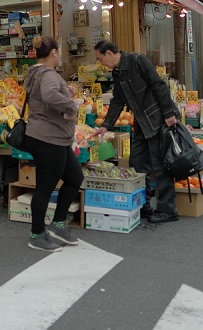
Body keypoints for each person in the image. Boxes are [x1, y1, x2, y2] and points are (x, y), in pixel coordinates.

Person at [93, 40, 181, 224]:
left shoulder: (137, 60)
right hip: (141, 124)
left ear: (109, 53)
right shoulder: (117, 73)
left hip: (156, 120)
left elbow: (159, 84)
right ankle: (144, 205)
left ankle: (168, 210)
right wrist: (106, 126)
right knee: (137, 163)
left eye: (100, 58)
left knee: (159, 165)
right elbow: (117, 101)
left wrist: (168, 112)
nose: (100, 63)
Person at [22, 35, 82, 252]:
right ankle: (37, 234)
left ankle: (58, 224)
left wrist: (65, 93)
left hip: (53, 137)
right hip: (48, 138)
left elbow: (45, 96)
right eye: (60, 50)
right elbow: (48, 96)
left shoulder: (36, 72)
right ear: (54, 52)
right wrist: (70, 106)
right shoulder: (47, 73)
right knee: (45, 187)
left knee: (75, 177)